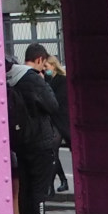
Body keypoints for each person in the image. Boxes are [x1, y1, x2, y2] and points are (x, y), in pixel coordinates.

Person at [8, 45, 69, 214]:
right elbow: (52, 105)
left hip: (21, 141)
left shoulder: (11, 78)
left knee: (24, 191)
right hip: (40, 141)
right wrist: (43, 82)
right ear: (40, 59)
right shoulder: (33, 79)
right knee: (39, 192)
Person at [43, 51, 72, 193]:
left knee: (53, 150)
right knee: (53, 152)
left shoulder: (62, 81)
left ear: (53, 66)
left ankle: (54, 184)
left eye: (46, 66)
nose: (45, 69)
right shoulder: (47, 80)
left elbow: (57, 101)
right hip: (53, 120)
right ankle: (58, 182)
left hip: (62, 120)